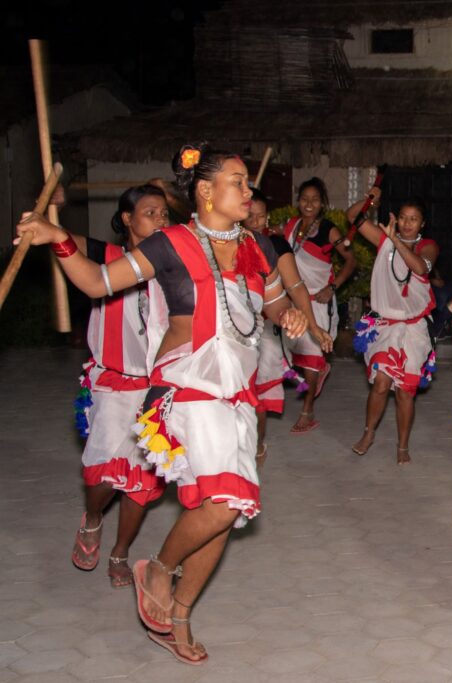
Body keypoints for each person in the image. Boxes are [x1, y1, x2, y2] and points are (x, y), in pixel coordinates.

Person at [17, 143, 308, 664]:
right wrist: (59, 239)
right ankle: (158, 569)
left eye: (246, 183)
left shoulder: (256, 247)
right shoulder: (171, 243)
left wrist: (290, 315)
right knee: (224, 497)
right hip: (187, 388)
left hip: (235, 395)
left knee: (225, 512)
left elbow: (271, 301)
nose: (247, 192)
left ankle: (177, 617)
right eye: (237, 182)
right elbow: (99, 281)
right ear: (205, 190)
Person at [69, 184, 169, 588]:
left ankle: (120, 552)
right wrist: (49, 222)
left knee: (143, 481)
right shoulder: (107, 258)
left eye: (164, 213)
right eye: (150, 212)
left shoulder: (174, 264)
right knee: (101, 475)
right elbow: (66, 242)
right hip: (112, 382)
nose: (160, 219)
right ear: (127, 219)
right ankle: (93, 518)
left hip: (157, 387)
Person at [243, 189, 332, 468]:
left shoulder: (275, 246)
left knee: (256, 395)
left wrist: (314, 327)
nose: (257, 223)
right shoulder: (221, 245)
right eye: (250, 217)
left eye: (261, 216)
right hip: (222, 333)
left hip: (262, 329)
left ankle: (256, 446)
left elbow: (295, 287)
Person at [351, 198, 439, 464]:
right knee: (381, 383)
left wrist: (396, 241)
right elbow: (352, 216)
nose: (407, 223)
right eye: (403, 217)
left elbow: (421, 268)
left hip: (414, 329)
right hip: (386, 326)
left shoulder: (428, 246)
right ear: (396, 219)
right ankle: (368, 433)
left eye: (413, 219)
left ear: (422, 223)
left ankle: (402, 445)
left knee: (405, 391)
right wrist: (370, 197)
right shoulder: (384, 241)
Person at [281, 177, 355, 433]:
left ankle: (307, 412)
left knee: (311, 358)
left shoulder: (328, 230)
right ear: (298, 201)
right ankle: (321, 369)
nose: (309, 203)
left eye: (314, 199)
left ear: (322, 203)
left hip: (318, 302)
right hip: (293, 303)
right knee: (293, 354)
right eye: (304, 199)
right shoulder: (290, 227)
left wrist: (332, 287)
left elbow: (350, 260)